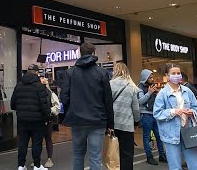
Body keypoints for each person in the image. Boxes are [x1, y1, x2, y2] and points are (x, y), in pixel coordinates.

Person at [60, 42, 114, 170]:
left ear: (79, 53)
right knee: (95, 157)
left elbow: (64, 97)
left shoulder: (70, 73)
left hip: (77, 121)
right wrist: (110, 124)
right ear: (94, 53)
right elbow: (108, 100)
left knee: (78, 155)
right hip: (97, 120)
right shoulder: (102, 73)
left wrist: (71, 112)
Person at [153, 63, 197, 170]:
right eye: (173, 73)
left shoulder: (187, 91)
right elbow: (157, 113)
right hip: (171, 134)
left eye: (178, 73)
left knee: (195, 165)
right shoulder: (162, 94)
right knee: (175, 167)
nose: (176, 75)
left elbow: (196, 107)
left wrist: (192, 112)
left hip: (188, 131)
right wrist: (173, 111)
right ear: (167, 75)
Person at [11, 64, 51, 170]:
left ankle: (21, 165)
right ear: (37, 72)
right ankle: (37, 166)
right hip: (37, 120)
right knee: (36, 143)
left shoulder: (18, 85)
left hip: (22, 120)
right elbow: (44, 105)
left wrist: (21, 110)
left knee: (22, 143)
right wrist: (47, 118)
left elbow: (12, 104)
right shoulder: (39, 86)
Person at [110, 62, 140, 170]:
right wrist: (136, 121)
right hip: (127, 125)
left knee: (113, 152)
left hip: (112, 125)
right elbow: (136, 108)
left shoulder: (109, 84)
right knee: (127, 154)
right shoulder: (131, 86)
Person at [138, 69, 167, 165]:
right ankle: (149, 156)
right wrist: (149, 93)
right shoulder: (140, 88)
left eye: (152, 77)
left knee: (159, 135)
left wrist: (157, 94)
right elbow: (140, 101)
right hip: (146, 114)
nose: (152, 79)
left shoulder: (153, 86)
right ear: (145, 78)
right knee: (147, 136)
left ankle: (162, 155)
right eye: (149, 77)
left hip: (155, 114)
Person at [40, 77, 60, 168]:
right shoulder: (38, 93)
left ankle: (49, 159)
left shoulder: (51, 94)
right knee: (38, 140)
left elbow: (57, 107)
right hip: (39, 119)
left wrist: (49, 110)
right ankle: (37, 158)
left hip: (47, 119)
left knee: (48, 139)